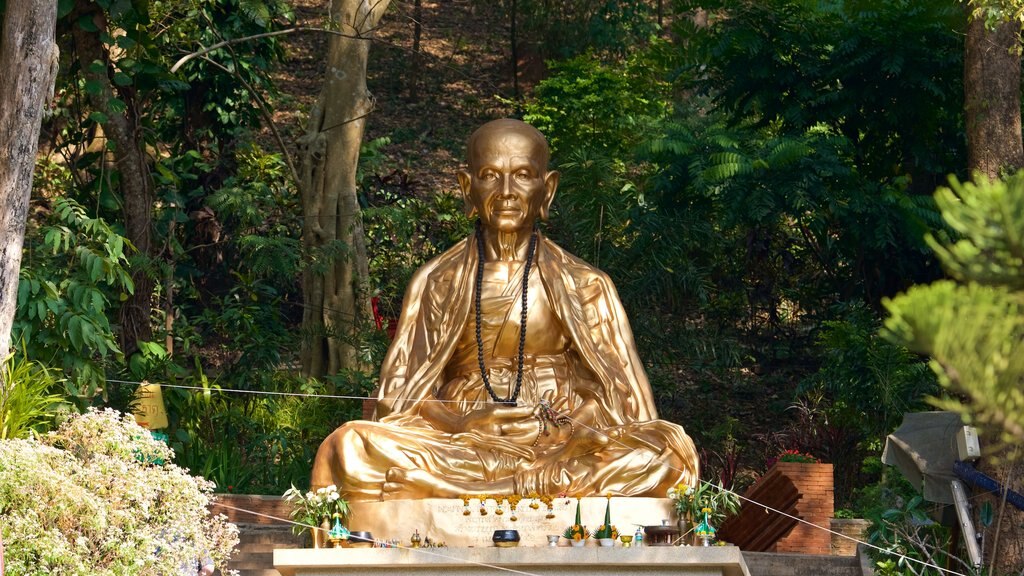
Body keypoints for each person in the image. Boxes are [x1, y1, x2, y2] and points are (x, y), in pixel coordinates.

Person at [311, 119, 698, 500]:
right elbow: (399, 398)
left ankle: (455, 493)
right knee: (349, 446)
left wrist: (573, 427)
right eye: (491, 175)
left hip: (560, 444)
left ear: (547, 189)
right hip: (464, 444)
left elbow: (625, 398)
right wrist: (463, 422)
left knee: (664, 456)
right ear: (467, 186)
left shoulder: (586, 283)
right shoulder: (437, 280)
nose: (507, 191)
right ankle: (494, 488)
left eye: (524, 175)